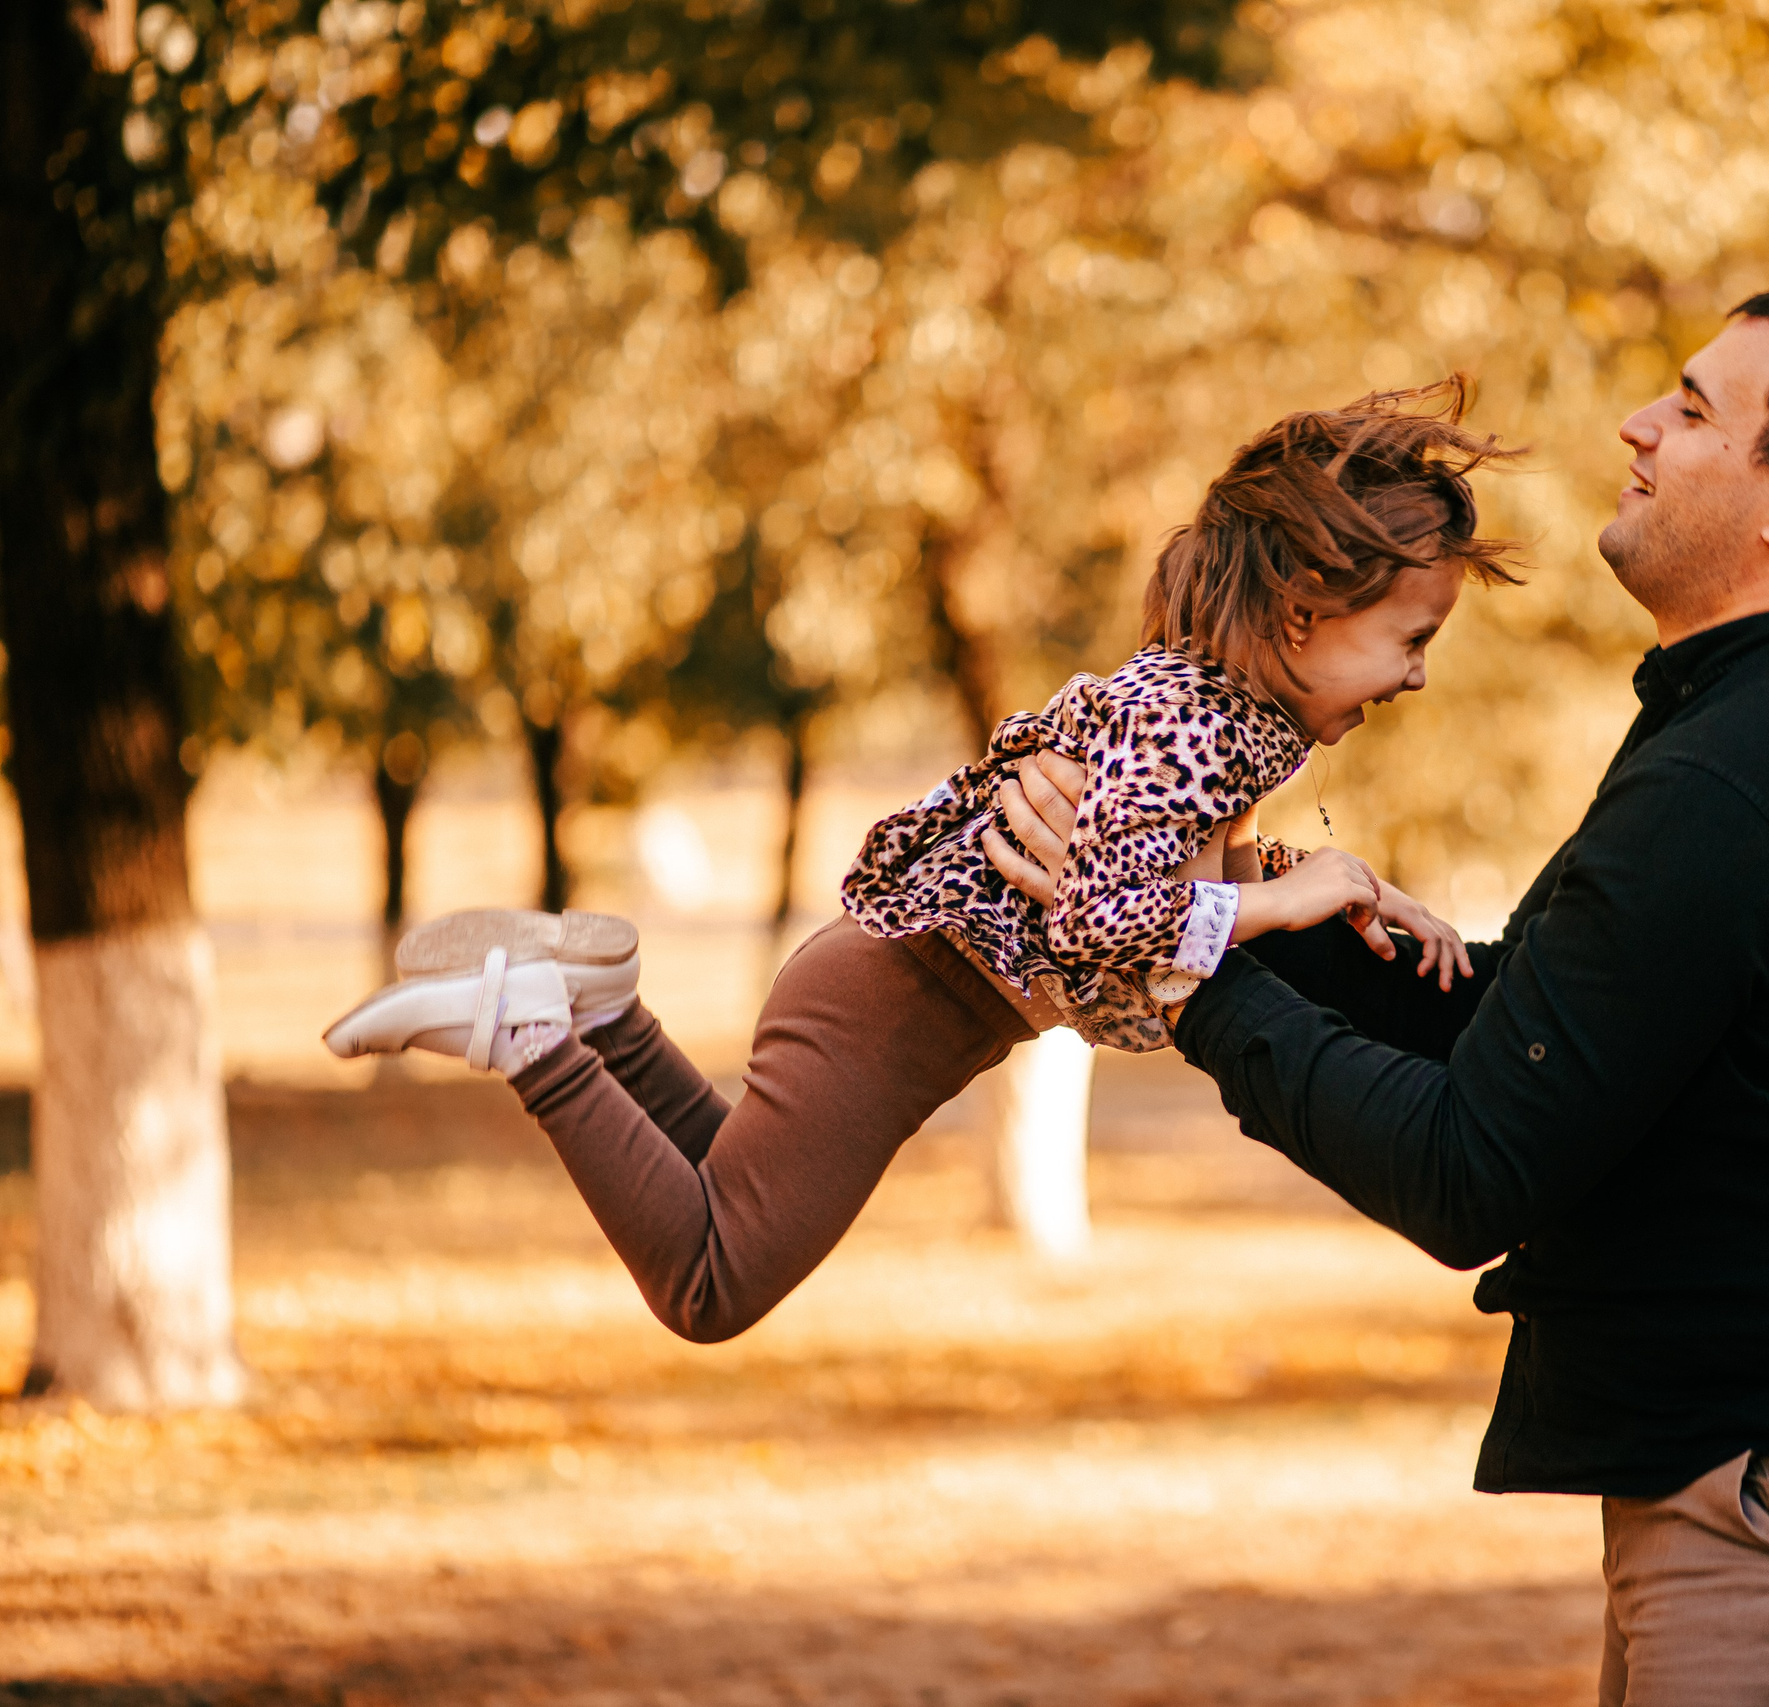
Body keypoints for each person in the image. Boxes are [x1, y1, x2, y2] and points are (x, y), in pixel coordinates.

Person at [984, 289, 1769, 1707]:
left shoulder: (1748, 771)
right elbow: (1555, 1043)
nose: (1639, 424)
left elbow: (1472, 1163)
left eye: (1690, 407)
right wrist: (1250, 896)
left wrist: (1184, 968)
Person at [319, 382, 1514, 1343]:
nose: (1417, 674)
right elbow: (1110, 918)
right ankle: (531, 1030)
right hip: (894, 1009)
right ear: (1305, 608)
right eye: (1410, 639)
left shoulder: (1223, 713)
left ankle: (609, 1015)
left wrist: (1350, 888)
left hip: (884, 999)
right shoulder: (1198, 720)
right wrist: (1302, 892)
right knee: (708, 1287)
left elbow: (1163, 869)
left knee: (710, 1193)